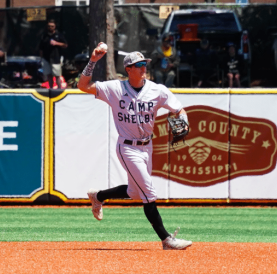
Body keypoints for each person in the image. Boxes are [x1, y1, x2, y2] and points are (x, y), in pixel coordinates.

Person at [77, 43, 192, 250]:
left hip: (147, 147)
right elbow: (83, 86)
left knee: (135, 193)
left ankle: (98, 196)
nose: (143, 68)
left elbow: (179, 109)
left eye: (144, 64)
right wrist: (93, 61)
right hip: (127, 148)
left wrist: (183, 121)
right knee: (148, 192)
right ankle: (167, 239)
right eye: (138, 65)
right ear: (128, 69)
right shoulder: (115, 88)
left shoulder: (157, 90)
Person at [39, 19, 68, 89]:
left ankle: (59, 88)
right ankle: (51, 88)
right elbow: (41, 48)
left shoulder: (59, 35)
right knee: (49, 75)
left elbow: (65, 45)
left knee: (57, 75)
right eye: (49, 26)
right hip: (46, 58)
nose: (50, 28)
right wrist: (41, 58)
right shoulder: (44, 36)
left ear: (55, 26)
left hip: (56, 58)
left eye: (52, 26)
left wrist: (56, 43)